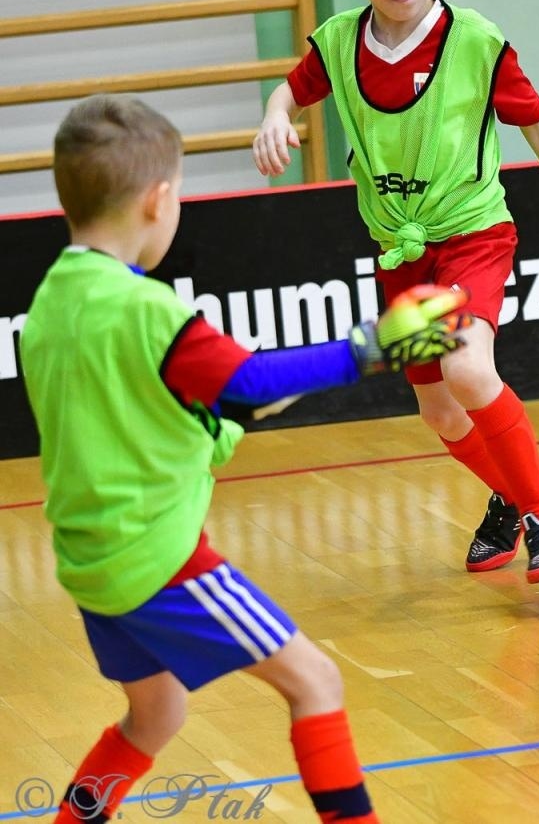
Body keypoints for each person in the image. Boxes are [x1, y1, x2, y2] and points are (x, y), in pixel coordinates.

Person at [23, 95, 470, 823]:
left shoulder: (52, 303)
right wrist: (371, 348)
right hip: (156, 560)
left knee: (155, 715)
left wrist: (240, 413)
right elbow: (251, 384)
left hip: (89, 559)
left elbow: (186, 411)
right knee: (316, 683)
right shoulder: (147, 312)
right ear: (158, 200)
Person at [252, 0, 539, 581]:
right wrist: (272, 118)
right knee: (442, 415)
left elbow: (538, 124)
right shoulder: (337, 43)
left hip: (473, 233)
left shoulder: (475, 42)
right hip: (399, 251)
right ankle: (509, 499)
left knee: (469, 366)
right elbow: (288, 94)